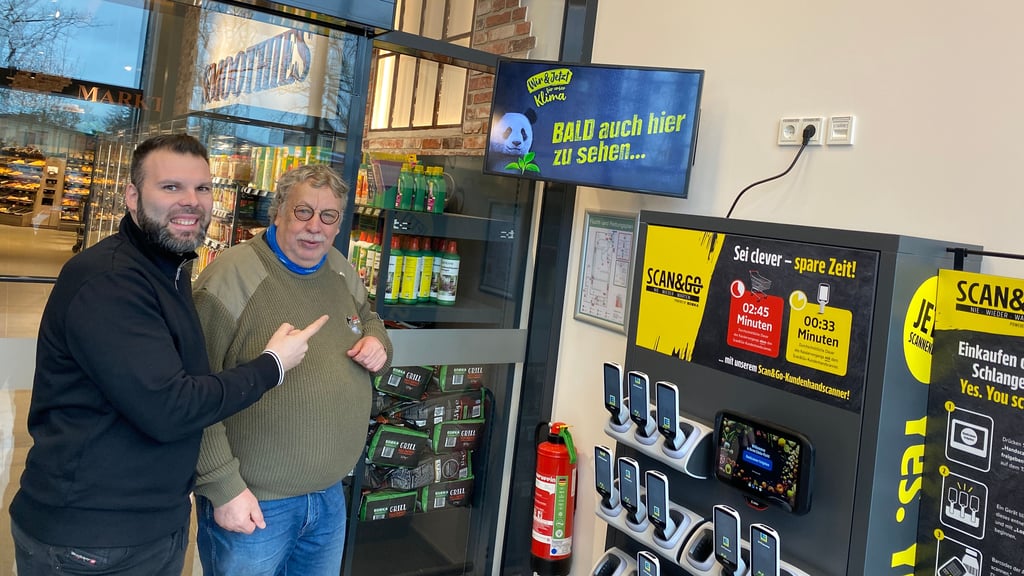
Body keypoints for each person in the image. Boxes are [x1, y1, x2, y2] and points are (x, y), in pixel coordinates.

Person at [8, 134, 327, 576]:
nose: (191, 202)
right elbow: (170, 407)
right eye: (171, 187)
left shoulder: (168, 269)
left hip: (149, 526)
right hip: (92, 542)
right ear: (133, 197)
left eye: (202, 188)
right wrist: (271, 365)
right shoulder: (109, 281)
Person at [192, 163, 392, 575]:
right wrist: (221, 486)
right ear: (278, 211)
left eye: (328, 216)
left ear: (339, 225)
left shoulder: (339, 268)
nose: (314, 227)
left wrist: (378, 341)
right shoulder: (229, 278)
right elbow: (192, 394)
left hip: (328, 497)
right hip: (254, 503)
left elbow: (366, 317)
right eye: (303, 211)